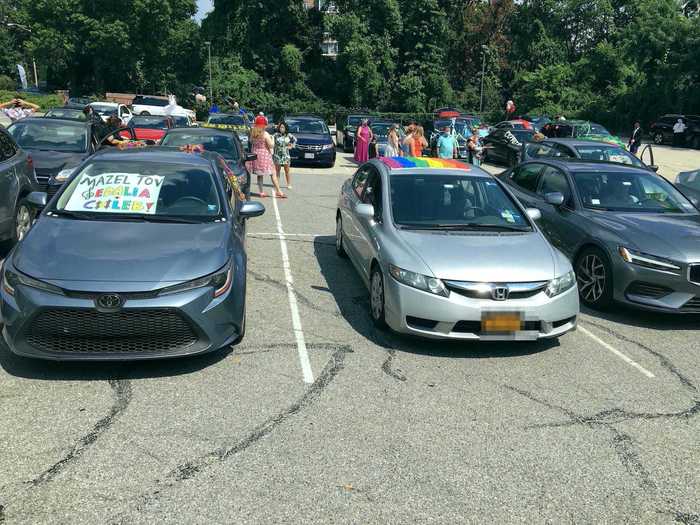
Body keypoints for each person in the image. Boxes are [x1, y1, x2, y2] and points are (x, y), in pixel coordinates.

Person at [249, 115, 285, 198]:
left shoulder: (253, 133)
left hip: (256, 155)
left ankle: (261, 192)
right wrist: (272, 139)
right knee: (273, 173)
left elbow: (251, 141)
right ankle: (278, 191)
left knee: (260, 174)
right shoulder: (265, 134)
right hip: (265, 155)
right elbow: (271, 145)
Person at [272, 122, 296, 189]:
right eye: (280, 127)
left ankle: (288, 184)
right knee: (277, 170)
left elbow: (295, 140)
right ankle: (277, 184)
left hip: (286, 155)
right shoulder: (276, 135)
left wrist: (291, 146)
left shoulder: (288, 135)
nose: (281, 128)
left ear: (285, 128)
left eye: (283, 127)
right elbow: (270, 139)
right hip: (277, 154)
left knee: (287, 170)